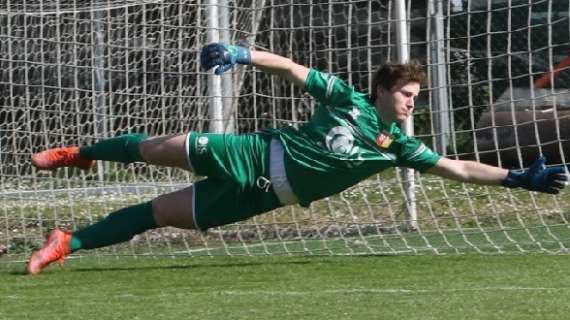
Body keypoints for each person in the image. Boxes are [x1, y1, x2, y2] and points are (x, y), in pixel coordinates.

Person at [26, 43, 569, 275]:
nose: (411, 103)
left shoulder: (397, 147)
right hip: (254, 153)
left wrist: (516, 178)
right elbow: (290, 69)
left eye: (416, 98)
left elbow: (457, 168)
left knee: (158, 214)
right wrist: (244, 55)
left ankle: (66, 243)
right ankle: (81, 154)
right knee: (154, 149)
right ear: (383, 90)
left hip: (263, 196)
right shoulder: (347, 100)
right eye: (407, 94)